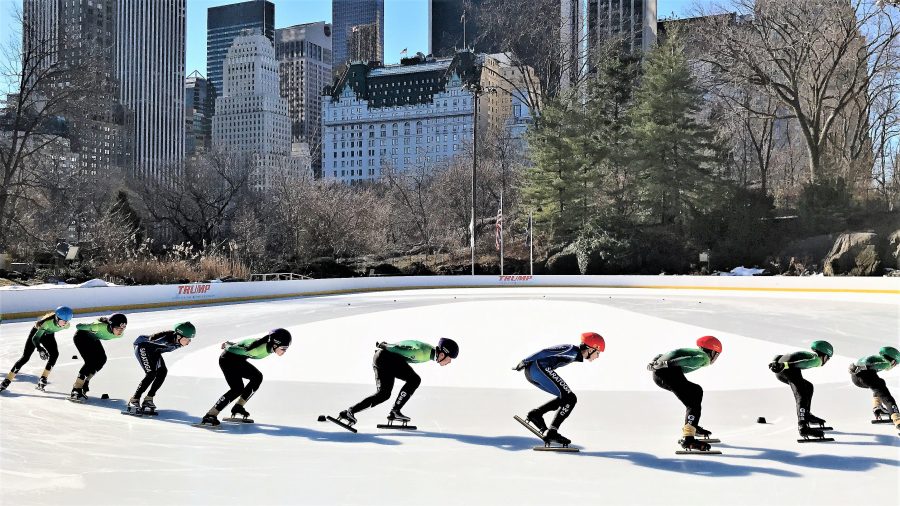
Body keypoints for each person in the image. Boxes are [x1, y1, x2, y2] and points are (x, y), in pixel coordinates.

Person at [337, 338, 459, 426]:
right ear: (442, 354)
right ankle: (395, 411)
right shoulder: (422, 353)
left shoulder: (428, 350)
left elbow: (409, 344)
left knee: (384, 394)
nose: (449, 362)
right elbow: (399, 349)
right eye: (450, 358)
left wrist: (385, 347)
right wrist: (386, 345)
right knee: (414, 379)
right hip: (386, 358)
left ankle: (349, 412)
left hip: (381, 358)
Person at [513, 332, 605, 446]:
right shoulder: (571, 349)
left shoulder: (574, 354)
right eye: (598, 353)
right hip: (538, 368)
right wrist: (525, 361)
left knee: (566, 397)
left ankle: (536, 414)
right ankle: (552, 431)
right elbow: (545, 351)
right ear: (591, 349)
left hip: (534, 372)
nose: (598, 357)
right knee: (570, 398)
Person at [199, 329, 292, 426]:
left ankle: (238, 407)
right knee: (237, 389)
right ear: (275, 344)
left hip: (238, 360)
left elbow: (244, 344)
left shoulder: (266, 344)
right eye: (284, 348)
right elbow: (238, 349)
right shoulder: (257, 349)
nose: (285, 351)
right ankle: (210, 415)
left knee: (257, 377)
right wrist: (228, 345)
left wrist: (230, 343)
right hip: (227, 360)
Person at [648, 335, 722, 451]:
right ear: (712, 352)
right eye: (716, 354)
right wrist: (665, 364)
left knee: (696, 391)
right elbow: (686, 360)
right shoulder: (703, 357)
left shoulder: (695, 351)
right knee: (693, 402)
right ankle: (688, 439)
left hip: (661, 374)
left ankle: (692, 425)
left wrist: (654, 363)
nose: (715, 358)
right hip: (667, 374)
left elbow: (660, 355)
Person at [126, 322, 196, 414]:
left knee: (163, 372)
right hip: (142, 347)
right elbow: (142, 340)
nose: (189, 342)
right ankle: (134, 399)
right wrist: (150, 339)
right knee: (151, 374)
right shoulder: (165, 338)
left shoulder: (178, 342)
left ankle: (149, 399)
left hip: (154, 351)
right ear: (179, 336)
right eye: (187, 339)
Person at [768, 340, 833, 438]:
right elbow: (803, 363)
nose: (827, 361)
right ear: (824, 355)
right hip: (788, 369)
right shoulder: (817, 359)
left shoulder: (808, 354)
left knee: (808, 387)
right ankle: (803, 426)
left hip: (780, 371)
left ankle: (806, 415)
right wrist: (785, 365)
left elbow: (780, 355)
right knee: (801, 395)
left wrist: (775, 363)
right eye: (828, 358)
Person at [0, 306, 73, 393]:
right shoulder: (47, 323)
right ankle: (7, 380)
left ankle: (43, 378)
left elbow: (52, 331)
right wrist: (40, 349)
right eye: (63, 321)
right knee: (25, 357)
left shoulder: (67, 325)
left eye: (67, 321)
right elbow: (35, 339)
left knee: (55, 354)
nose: (65, 324)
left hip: (48, 334)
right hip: (36, 334)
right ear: (57, 318)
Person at [69, 313, 128, 402]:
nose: (120, 331)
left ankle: (86, 381)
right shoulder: (99, 326)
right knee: (90, 362)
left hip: (93, 338)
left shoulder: (120, 334)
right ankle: (76, 389)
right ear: (111, 326)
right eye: (118, 329)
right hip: (81, 337)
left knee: (102, 359)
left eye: (123, 329)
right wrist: (90, 326)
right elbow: (78, 326)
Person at [849, 346, 900, 429]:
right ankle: (898, 421)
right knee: (888, 398)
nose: (893, 366)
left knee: (880, 384)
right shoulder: (886, 362)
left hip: (855, 378)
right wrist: (865, 367)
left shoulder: (874, 357)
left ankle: (878, 407)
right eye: (895, 364)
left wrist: (857, 368)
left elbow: (858, 363)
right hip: (866, 376)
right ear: (893, 361)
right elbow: (878, 364)